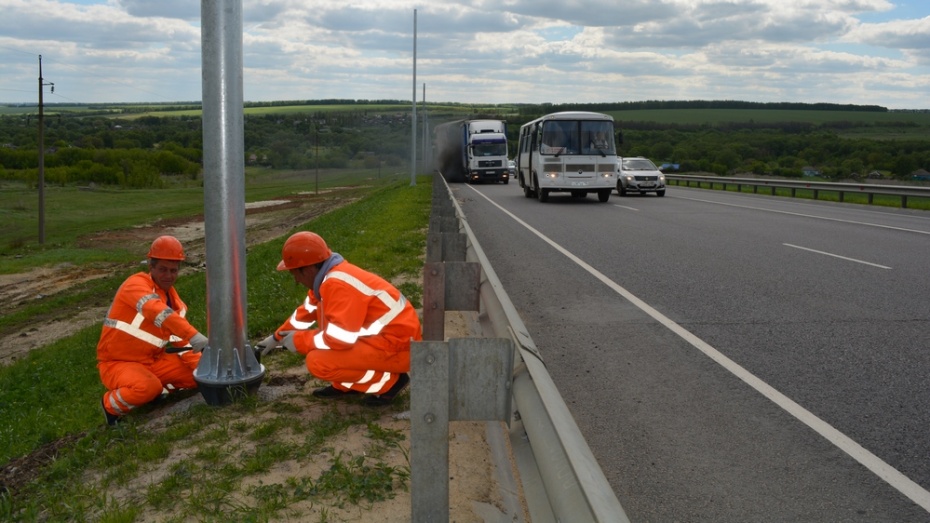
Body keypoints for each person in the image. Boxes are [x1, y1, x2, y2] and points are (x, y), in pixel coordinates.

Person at [256, 231, 421, 406]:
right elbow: (305, 313)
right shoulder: (326, 281)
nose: (296, 280)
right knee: (326, 351)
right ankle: (346, 386)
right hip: (390, 341)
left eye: (294, 273)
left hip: (399, 348)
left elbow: (340, 340)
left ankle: (390, 383)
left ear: (308, 269)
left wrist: (299, 340)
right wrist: (277, 337)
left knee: (318, 361)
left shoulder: (337, 285)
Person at [97, 235, 208, 426]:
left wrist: (203, 368)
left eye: (173, 270)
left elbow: (183, 343)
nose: (168, 275)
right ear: (151, 267)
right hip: (118, 363)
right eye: (163, 269)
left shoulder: (175, 302)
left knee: (200, 376)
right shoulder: (135, 285)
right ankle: (110, 406)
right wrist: (194, 334)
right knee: (147, 387)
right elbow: (156, 310)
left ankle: (157, 391)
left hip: (152, 361)